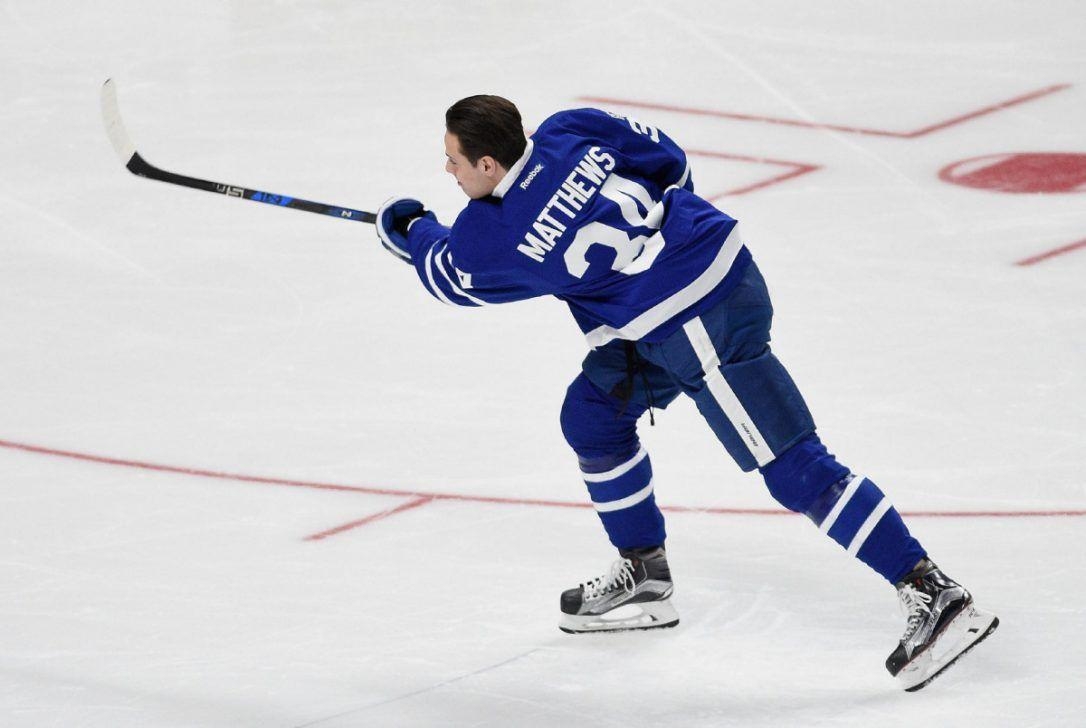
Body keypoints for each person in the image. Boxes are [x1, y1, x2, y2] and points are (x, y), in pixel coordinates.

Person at [374, 95, 998, 691]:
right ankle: (645, 575)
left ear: (488, 164)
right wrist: (656, 257)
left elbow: (449, 276)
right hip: (700, 288)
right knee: (592, 416)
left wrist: (406, 226)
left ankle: (931, 590)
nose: (447, 170)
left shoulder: (494, 232)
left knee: (791, 464)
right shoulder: (571, 127)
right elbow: (670, 159)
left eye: (453, 160)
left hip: (699, 321)